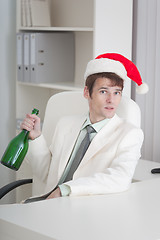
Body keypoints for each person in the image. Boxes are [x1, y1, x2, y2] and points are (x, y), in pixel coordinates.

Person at [21, 53, 148, 201]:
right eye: (103, 91)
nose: (111, 100)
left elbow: (120, 178)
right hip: (47, 203)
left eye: (117, 93)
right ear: (87, 92)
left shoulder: (129, 133)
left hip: (83, 209)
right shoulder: (65, 124)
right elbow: (46, 174)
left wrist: (67, 189)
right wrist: (36, 137)